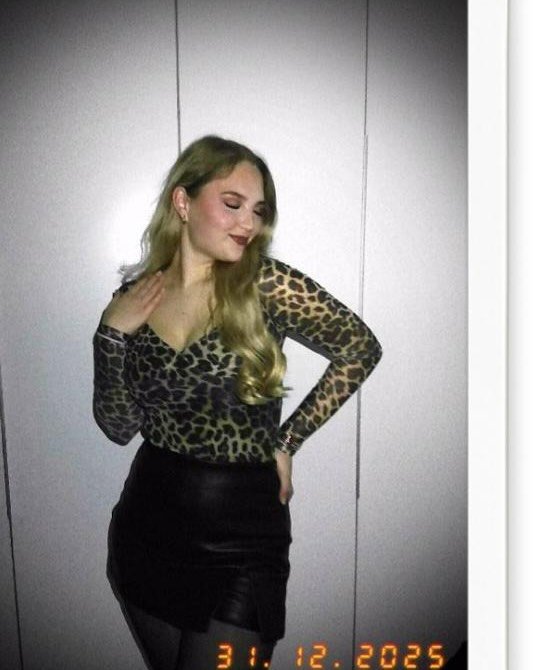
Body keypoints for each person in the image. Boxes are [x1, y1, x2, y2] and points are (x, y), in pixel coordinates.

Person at [92, 135, 383, 670]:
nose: (249, 223)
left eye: (258, 211)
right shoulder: (136, 299)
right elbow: (118, 425)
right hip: (148, 523)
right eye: (232, 204)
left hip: (243, 535)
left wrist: (289, 439)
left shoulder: (266, 285)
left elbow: (359, 348)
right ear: (183, 202)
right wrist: (111, 335)